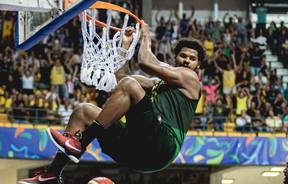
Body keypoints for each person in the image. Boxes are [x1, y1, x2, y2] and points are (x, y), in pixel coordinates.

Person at [18, 22, 204, 184]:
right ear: (176, 58)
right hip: (139, 154)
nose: (186, 60)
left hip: (163, 145)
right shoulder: (158, 85)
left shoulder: (191, 79)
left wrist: (145, 35)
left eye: (192, 58)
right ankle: (53, 174)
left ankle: (78, 142)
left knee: (130, 85)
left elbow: (145, 62)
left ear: (198, 66)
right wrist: (124, 47)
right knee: (83, 112)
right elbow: (121, 79)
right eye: (183, 56)